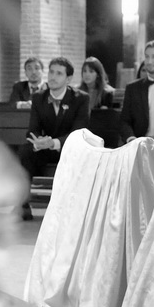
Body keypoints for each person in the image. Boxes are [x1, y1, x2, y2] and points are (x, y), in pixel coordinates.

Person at [18, 57, 90, 220]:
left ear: (69, 79)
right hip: (45, 147)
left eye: (59, 73)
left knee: (78, 153)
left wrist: (54, 143)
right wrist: (38, 142)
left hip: (68, 147)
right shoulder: (39, 97)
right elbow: (32, 129)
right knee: (25, 151)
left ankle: (72, 209)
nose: (53, 77)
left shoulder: (81, 99)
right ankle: (23, 205)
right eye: (51, 72)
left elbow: (79, 131)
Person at [119, 40, 154, 144]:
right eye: (147, 56)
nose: (149, 61)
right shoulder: (132, 88)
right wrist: (131, 139)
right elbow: (124, 121)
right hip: (139, 145)